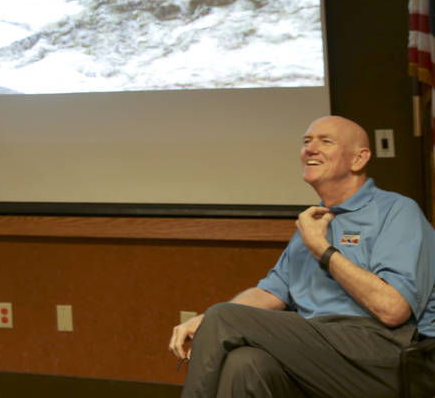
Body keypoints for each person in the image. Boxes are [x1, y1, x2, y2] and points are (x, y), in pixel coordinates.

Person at [168, 115, 435, 398]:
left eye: (325, 141)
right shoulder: (314, 221)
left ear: (359, 159)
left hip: (386, 353)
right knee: (245, 363)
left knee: (223, 317)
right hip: (319, 346)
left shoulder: (396, 211)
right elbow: (271, 292)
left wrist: (322, 249)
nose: (310, 148)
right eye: (307, 141)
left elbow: (392, 309)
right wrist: (206, 321)